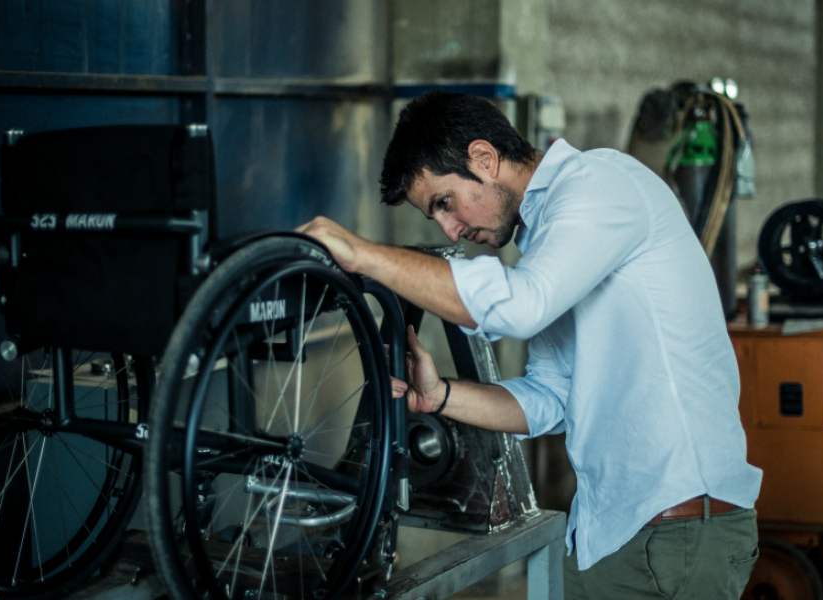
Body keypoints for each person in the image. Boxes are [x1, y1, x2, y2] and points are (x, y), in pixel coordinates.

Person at [297, 90, 762, 600]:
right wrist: (442, 396)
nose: (453, 229)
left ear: (484, 158)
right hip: (615, 533)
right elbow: (551, 400)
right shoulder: (548, 238)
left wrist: (363, 255)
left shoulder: (600, 185)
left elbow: (523, 304)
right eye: (437, 218)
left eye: (445, 203)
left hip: (678, 534)